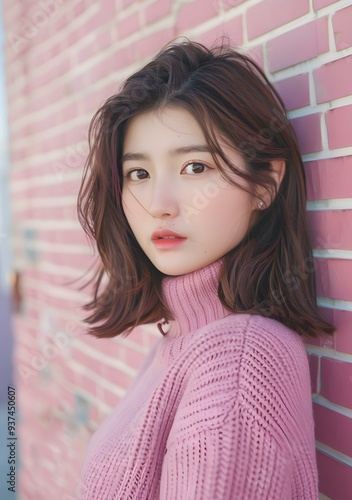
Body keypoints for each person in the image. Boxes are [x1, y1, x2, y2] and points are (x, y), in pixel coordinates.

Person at [76, 39, 334, 499]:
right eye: (139, 173)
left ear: (265, 185)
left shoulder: (239, 360)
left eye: (195, 167)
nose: (159, 205)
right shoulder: (178, 342)